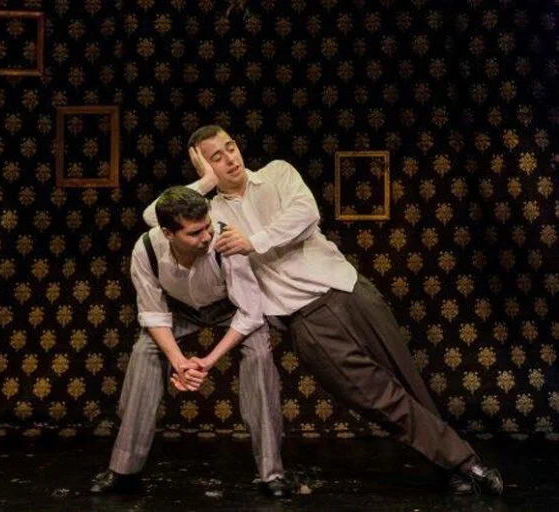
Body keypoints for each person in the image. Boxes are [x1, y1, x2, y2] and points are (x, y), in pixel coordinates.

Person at [143, 125, 504, 496]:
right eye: (216, 158)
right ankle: (469, 466)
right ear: (203, 166)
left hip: (348, 290)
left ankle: (453, 468)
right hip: (307, 320)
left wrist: (254, 242)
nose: (229, 159)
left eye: (230, 147)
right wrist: (205, 181)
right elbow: (154, 217)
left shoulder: (277, 173)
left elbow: (305, 214)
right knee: (377, 397)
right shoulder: (211, 214)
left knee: (408, 380)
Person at [92, 186, 289, 498]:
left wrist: (207, 362)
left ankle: (272, 474)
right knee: (144, 352)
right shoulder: (146, 248)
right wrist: (180, 362)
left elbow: (250, 313)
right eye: (195, 233)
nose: (207, 237)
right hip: (181, 312)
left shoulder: (225, 242)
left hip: (231, 310)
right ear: (168, 233)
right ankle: (123, 471)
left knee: (259, 356)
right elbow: (153, 313)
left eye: (208, 226)